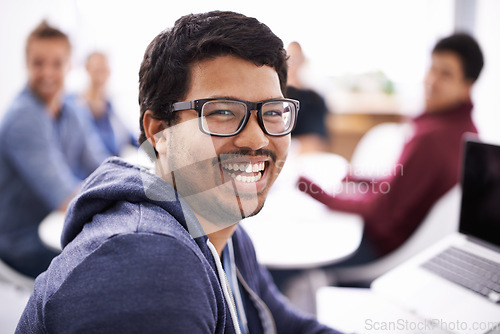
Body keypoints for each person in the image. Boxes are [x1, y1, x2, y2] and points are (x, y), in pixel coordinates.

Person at [17, 11, 342, 333]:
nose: (257, 138)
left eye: (271, 112)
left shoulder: (224, 229)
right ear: (159, 132)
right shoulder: (147, 264)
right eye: (223, 112)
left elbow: (283, 324)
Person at [298, 32, 484, 266]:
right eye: (432, 68)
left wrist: (315, 191)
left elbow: (381, 209)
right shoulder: (465, 131)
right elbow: (401, 188)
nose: (431, 80)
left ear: (467, 85)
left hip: (381, 249)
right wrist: (359, 178)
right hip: (404, 243)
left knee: (294, 247)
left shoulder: (433, 138)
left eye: (445, 73)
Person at [0, 21, 110, 278]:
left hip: (54, 229)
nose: (48, 73)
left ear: (69, 65)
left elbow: (102, 164)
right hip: (21, 242)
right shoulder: (23, 117)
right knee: (102, 269)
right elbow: (64, 198)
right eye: (38, 63)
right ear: (27, 65)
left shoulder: (71, 110)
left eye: (57, 63)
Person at [71, 51, 137, 156]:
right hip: (95, 169)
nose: (101, 75)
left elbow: (131, 139)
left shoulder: (110, 107)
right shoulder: (74, 105)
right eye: (97, 69)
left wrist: (155, 151)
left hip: (114, 166)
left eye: (104, 69)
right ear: (87, 69)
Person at [286, 41, 329, 154]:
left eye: (295, 59)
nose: (291, 64)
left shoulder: (314, 99)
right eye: (288, 59)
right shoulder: (272, 98)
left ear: (303, 61)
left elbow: (316, 143)